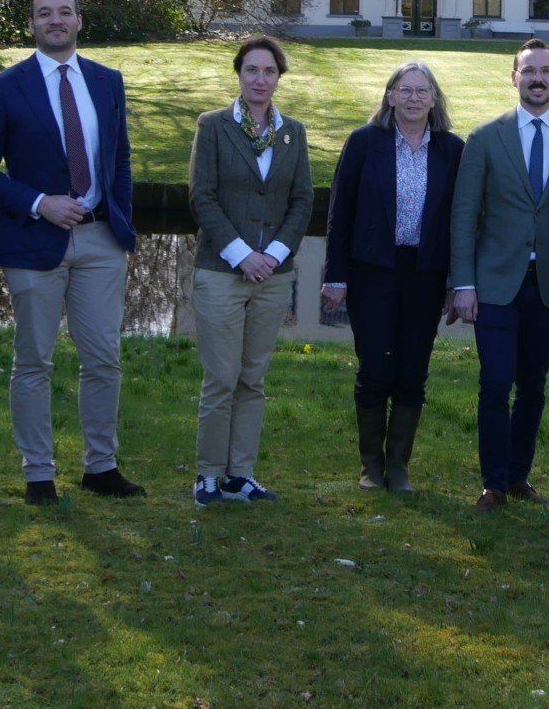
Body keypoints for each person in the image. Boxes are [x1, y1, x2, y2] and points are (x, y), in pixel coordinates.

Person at [0, 0, 141, 504]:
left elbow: (120, 160)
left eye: (64, 12)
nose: (55, 20)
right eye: (45, 13)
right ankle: (38, 474)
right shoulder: (4, 88)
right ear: (33, 24)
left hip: (100, 240)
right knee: (34, 361)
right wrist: (38, 202)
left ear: (80, 21)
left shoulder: (107, 82)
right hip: (34, 240)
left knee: (104, 359)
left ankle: (100, 467)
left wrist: (120, 223)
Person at [448, 37, 549, 512]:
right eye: (528, 70)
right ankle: (493, 482)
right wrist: (463, 283)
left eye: (546, 71)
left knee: (533, 384)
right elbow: (463, 214)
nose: (538, 78)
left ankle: (518, 476)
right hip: (493, 284)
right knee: (495, 381)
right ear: (514, 77)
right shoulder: (485, 138)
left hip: (547, 285)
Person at [321, 61, 464, 494]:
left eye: (423, 91)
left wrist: (458, 283)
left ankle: (398, 466)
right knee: (376, 368)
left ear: (434, 99)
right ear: (390, 96)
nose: (414, 98)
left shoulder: (452, 150)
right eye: (406, 90)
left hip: (426, 275)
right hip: (373, 273)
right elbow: (339, 213)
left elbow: (462, 220)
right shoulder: (365, 143)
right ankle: (371, 465)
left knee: (412, 370)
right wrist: (335, 276)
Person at [188, 35, 314, 505]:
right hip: (222, 273)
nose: (260, 80)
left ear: (279, 78)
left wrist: (276, 254)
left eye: (269, 72)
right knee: (221, 378)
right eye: (251, 71)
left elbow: (302, 200)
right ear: (238, 75)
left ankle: (241, 474)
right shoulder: (214, 126)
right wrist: (243, 254)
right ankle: (207, 476)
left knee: (252, 379)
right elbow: (203, 197)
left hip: (273, 278)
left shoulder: (292, 132)